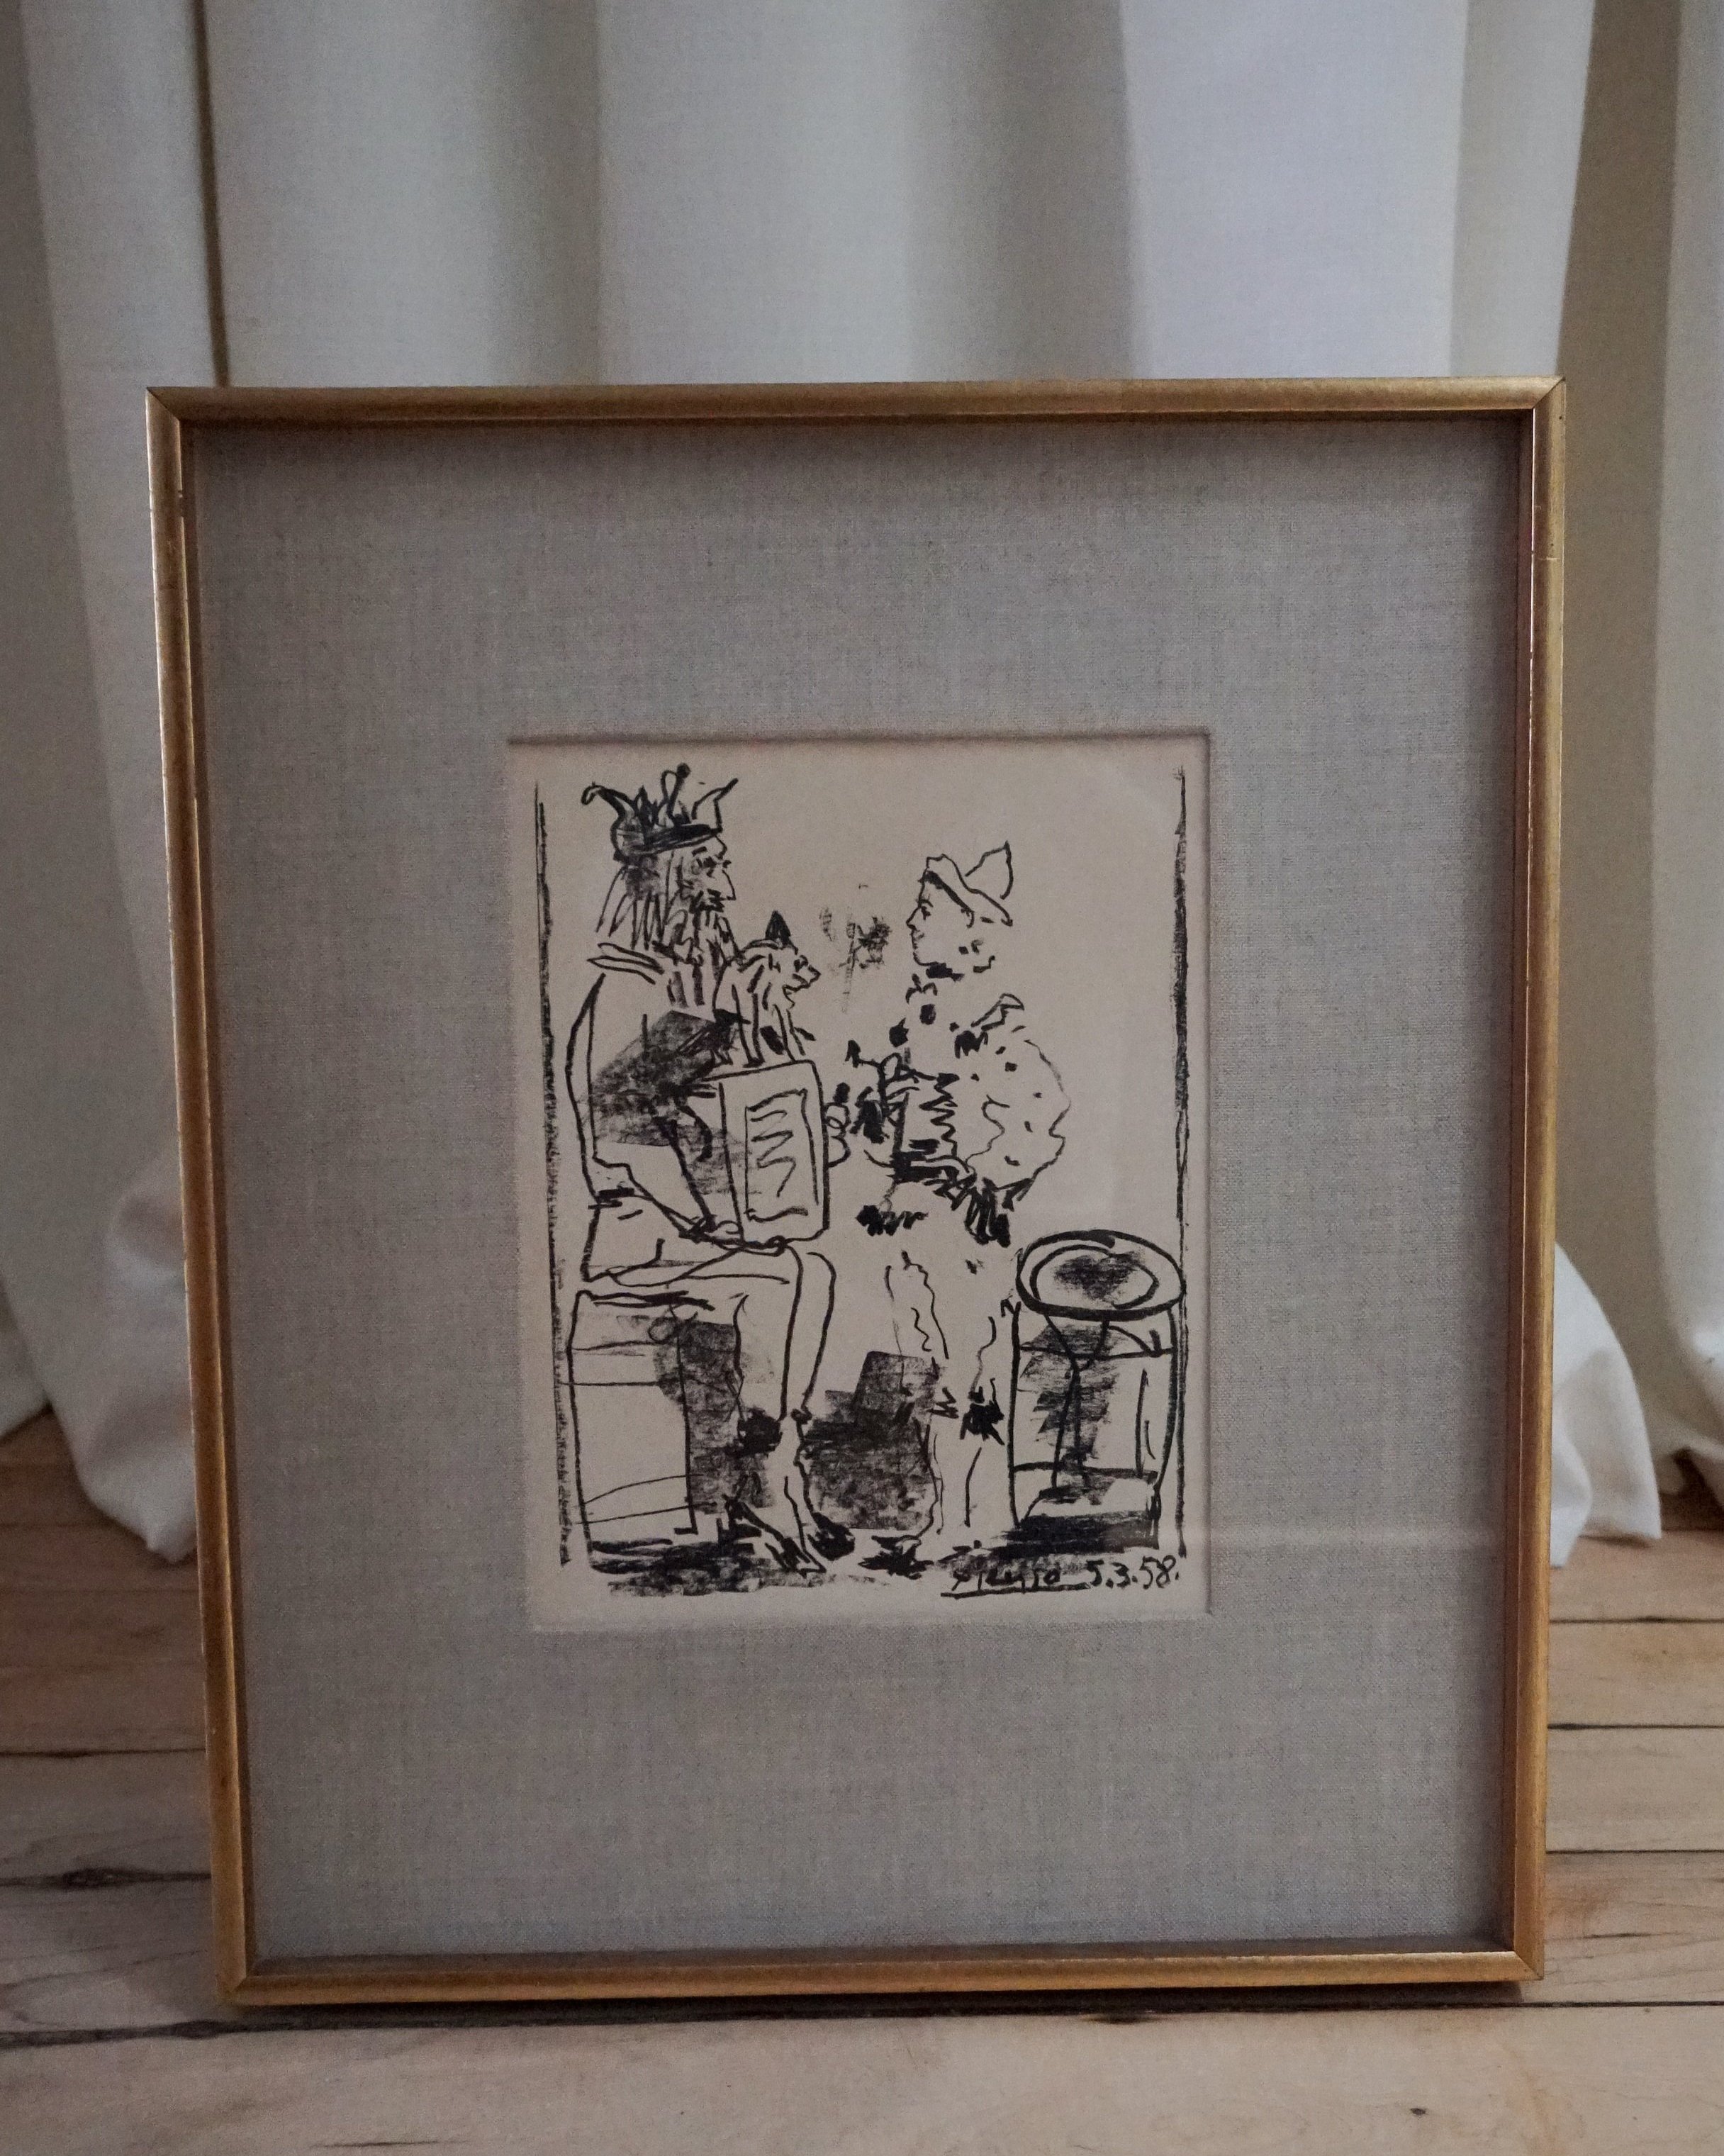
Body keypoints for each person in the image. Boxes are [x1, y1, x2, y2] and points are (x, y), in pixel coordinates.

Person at [566, 767, 835, 1569]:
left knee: (797, 1272)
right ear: (672, 880)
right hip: (644, 1236)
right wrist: (711, 1217)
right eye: (710, 870)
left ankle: (748, 1481)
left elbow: (715, 1111)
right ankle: (756, 1485)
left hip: (687, 1229)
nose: (725, 888)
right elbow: (622, 1136)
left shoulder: (675, 988)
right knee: (781, 1279)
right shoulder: (627, 988)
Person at [844, 842, 1068, 1558]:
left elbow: (1042, 1114)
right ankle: (931, 1517)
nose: (913, 921)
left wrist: (987, 1180)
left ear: (968, 927)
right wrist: (871, 1117)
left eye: (927, 909)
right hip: (907, 1215)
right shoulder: (919, 1015)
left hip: (960, 1226)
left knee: (967, 1369)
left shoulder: (995, 1022)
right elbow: (891, 1119)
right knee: (922, 1366)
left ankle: (969, 1521)